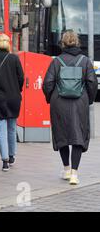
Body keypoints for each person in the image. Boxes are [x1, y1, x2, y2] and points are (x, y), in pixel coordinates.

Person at [43, 31, 98, 185]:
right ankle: (74, 174)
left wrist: (50, 98)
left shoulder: (57, 61)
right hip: (79, 103)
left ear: (63, 43)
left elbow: (47, 83)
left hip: (59, 103)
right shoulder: (85, 61)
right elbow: (92, 83)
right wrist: (88, 99)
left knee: (62, 136)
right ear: (77, 42)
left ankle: (66, 169)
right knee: (77, 136)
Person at [0, 34, 24, 172]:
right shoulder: (14, 58)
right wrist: (16, 89)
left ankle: (5, 160)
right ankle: (12, 155)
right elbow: (21, 78)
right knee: (12, 127)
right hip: (14, 97)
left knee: (1, 128)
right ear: (8, 44)